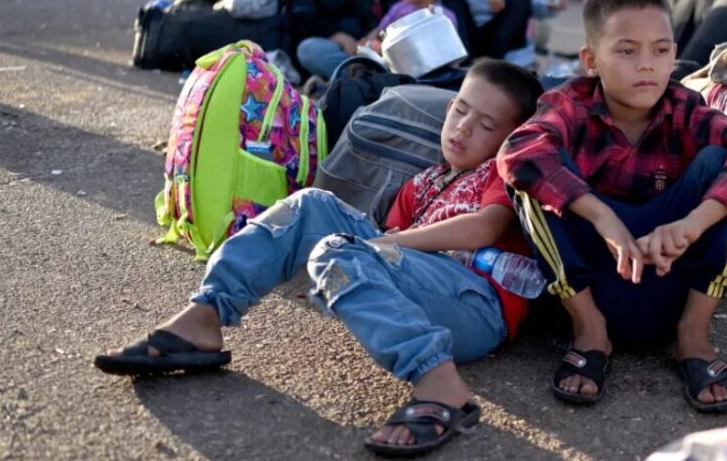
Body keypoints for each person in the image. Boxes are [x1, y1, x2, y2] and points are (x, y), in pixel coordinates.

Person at [94, 60, 546, 458]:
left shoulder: (502, 173)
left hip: (476, 305)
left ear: (511, 138)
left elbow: (484, 227)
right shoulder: (423, 182)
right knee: (312, 204)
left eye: (486, 125)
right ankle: (205, 316)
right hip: (423, 288)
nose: (463, 128)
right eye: (460, 110)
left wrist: (379, 248)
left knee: (341, 253)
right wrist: (377, 248)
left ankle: (440, 384)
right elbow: (386, 244)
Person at [497, 0, 727, 411]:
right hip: (594, 280)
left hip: (671, 274)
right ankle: (590, 333)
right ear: (591, 60)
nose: (647, 65)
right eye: (627, 51)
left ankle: (694, 337)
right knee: (537, 176)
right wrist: (601, 217)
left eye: (661, 49)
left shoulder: (686, 107)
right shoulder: (569, 103)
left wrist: (693, 224)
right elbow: (518, 154)